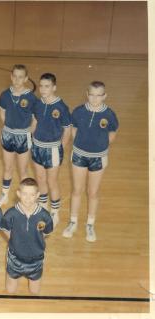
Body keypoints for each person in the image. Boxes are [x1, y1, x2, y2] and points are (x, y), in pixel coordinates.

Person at [62, 81, 119, 242]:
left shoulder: (109, 114)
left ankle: (90, 225)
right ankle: (73, 222)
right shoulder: (79, 111)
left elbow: (112, 134)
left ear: (104, 96)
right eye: (92, 94)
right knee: (76, 190)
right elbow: (73, 129)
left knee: (93, 192)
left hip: (98, 158)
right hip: (79, 155)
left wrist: (99, 146)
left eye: (98, 95)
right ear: (87, 94)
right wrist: (81, 144)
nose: (94, 98)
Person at [31, 73, 71, 227]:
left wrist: (60, 147)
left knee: (52, 181)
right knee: (40, 179)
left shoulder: (61, 107)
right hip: (37, 147)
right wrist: (31, 138)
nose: (42, 89)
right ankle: (42, 207)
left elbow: (67, 130)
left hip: (53, 149)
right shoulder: (38, 104)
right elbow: (34, 121)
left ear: (54, 87)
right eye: (41, 86)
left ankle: (54, 212)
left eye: (46, 86)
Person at [0, 64, 38, 207]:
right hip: (8, 134)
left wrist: (28, 132)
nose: (17, 80)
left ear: (26, 78)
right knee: (7, 167)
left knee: (23, 170)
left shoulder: (31, 98)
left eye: (21, 77)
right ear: (11, 77)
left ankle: (25, 199)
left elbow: (35, 118)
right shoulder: (5, 94)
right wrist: (8, 126)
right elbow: (2, 112)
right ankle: (4, 195)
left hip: (23, 137)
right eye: (15, 76)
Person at [1, 177, 53, 294]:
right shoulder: (10, 214)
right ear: (18, 194)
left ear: (38, 195)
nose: (28, 198)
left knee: (34, 292)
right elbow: (5, 230)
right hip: (15, 257)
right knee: (10, 290)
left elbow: (46, 233)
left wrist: (34, 242)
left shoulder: (45, 216)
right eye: (24, 194)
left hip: (36, 259)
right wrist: (16, 241)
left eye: (32, 194)